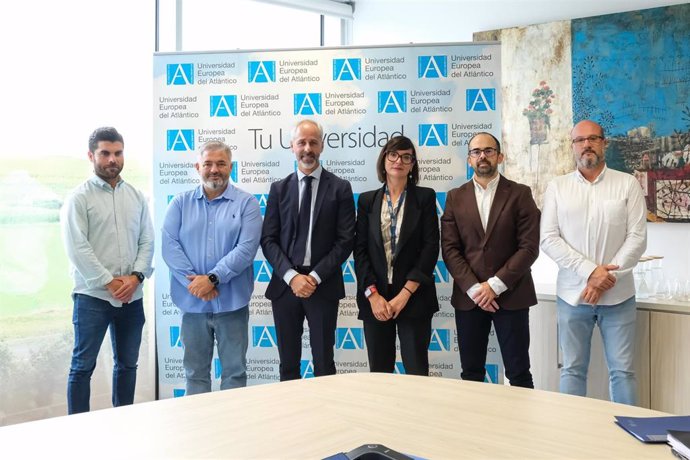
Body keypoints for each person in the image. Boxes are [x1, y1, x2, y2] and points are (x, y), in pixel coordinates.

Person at [540, 120, 647, 405]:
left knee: (623, 372)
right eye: (580, 140)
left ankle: (628, 441)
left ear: (604, 143)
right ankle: (573, 441)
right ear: (572, 145)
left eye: (593, 139)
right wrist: (591, 273)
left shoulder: (627, 183)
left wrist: (605, 279)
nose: (586, 144)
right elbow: (549, 238)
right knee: (572, 370)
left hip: (619, 296)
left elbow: (637, 238)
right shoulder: (557, 187)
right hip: (573, 297)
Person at [60, 127, 154, 414]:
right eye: (105, 153)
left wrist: (136, 277)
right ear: (91, 155)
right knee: (82, 367)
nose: (112, 159)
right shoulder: (78, 198)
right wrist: (110, 282)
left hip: (132, 297)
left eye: (117, 153)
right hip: (93, 298)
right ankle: (77, 429)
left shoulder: (136, 197)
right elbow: (78, 248)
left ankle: (122, 421)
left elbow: (147, 240)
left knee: (128, 364)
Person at [441, 132, 540, 388]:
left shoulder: (520, 194)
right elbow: (450, 249)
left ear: (500, 156)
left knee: (519, 373)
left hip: (512, 296)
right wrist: (476, 289)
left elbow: (529, 248)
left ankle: (522, 428)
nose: (482, 156)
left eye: (488, 150)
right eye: (476, 151)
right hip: (469, 299)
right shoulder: (455, 197)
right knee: (471, 373)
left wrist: (494, 286)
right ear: (469, 159)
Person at [162, 141, 261, 395]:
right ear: (198, 167)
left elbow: (246, 249)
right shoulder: (180, 204)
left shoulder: (246, 204)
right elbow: (169, 246)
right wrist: (195, 285)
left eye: (220, 164)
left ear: (231, 167)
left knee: (235, 373)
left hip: (232, 306)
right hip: (192, 305)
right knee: (195, 375)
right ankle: (200, 432)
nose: (214, 169)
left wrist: (213, 279)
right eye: (208, 164)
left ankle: (231, 431)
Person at [260, 119, 355, 381]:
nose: (307, 148)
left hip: (322, 286)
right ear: (292, 146)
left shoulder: (340, 188)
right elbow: (268, 239)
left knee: (324, 364)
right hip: (285, 287)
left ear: (322, 146)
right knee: (288, 366)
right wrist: (292, 276)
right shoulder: (279, 189)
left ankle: (326, 420)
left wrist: (313, 277)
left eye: (313, 142)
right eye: (301, 142)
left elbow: (345, 240)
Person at [353, 136, 439, 375]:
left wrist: (405, 294)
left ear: (412, 165)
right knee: (380, 373)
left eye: (406, 157)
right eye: (393, 154)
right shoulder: (367, 200)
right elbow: (360, 251)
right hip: (376, 299)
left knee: (416, 370)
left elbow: (431, 248)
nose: (398, 160)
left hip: (413, 297)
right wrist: (372, 296)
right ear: (384, 160)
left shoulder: (425, 198)